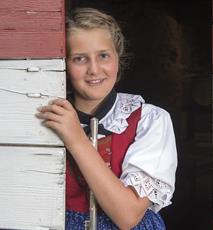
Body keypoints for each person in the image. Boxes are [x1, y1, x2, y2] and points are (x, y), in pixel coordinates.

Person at [36, 7, 177, 230]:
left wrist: (76, 140)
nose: (94, 69)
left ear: (118, 58)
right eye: (79, 58)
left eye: (103, 56)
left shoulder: (150, 120)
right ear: (63, 64)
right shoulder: (46, 116)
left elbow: (127, 216)